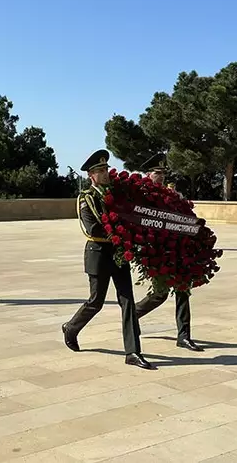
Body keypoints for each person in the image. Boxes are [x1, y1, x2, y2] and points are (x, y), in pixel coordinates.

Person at [62, 150, 154, 370]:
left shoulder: (116, 194)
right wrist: (124, 234)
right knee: (96, 301)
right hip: (99, 254)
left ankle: (132, 352)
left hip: (119, 254)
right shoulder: (87, 198)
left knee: (127, 301)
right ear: (91, 175)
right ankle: (71, 327)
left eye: (106, 169)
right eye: (100, 171)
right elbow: (92, 227)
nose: (105, 174)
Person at [132, 153, 205, 352]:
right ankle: (132, 315)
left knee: (183, 290)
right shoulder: (142, 195)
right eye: (158, 172)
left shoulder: (172, 195)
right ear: (148, 174)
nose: (162, 176)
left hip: (178, 248)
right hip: (157, 251)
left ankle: (184, 336)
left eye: (164, 172)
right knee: (160, 294)